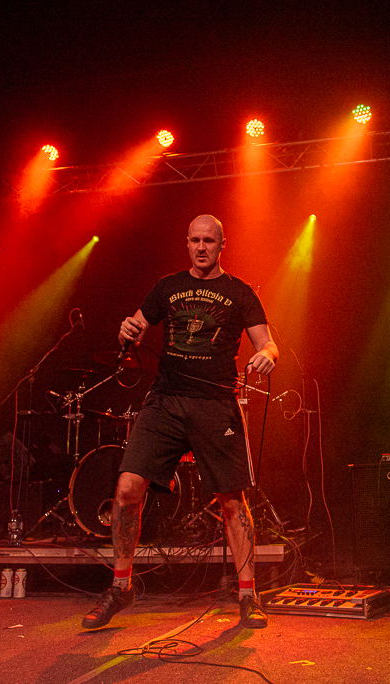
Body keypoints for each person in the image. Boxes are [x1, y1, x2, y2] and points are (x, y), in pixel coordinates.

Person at [82, 214, 278, 630]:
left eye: (209, 241)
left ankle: (248, 595)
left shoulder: (239, 292)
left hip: (216, 403)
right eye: (195, 240)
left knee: (232, 501)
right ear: (186, 243)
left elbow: (268, 343)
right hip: (166, 401)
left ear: (222, 245)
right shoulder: (167, 287)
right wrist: (126, 331)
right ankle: (121, 586)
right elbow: (133, 329)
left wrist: (267, 355)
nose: (201, 247)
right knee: (127, 487)